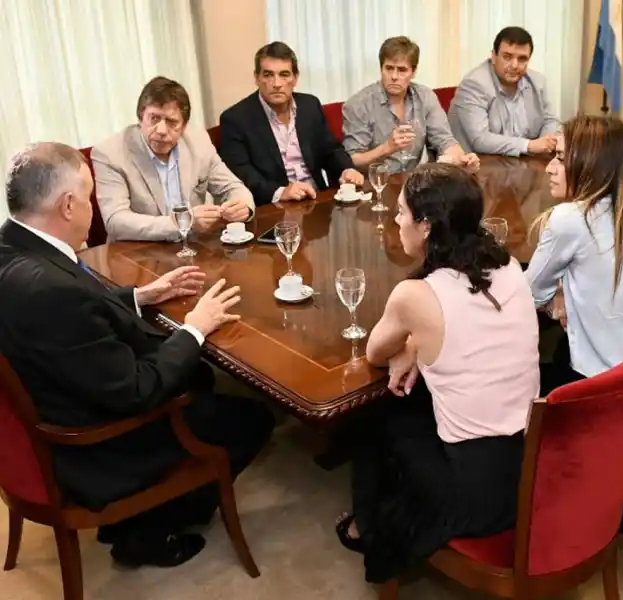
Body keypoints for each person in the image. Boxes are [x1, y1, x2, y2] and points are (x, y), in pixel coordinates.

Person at [0, 143, 274, 568]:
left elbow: (74, 317)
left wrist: (141, 296)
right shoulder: (51, 292)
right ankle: (146, 530)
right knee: (253, 416)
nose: (93, 206)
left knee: (200, 377)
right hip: (96, 446)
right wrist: (195, 328)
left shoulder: (14, 249)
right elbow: (138, 390)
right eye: (89, 196)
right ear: (68, 205)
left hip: (57, 397)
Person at [334, 163, 539, 583]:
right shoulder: (509, 267)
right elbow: (466, 331)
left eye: (401, 212)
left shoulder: (414, 295)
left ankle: (370, 527)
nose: (396, 221)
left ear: (425, 225)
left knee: (372, 416)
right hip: (528, 464)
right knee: (413, 403)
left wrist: (410, 345)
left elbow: (375, 353)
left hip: (472, 494)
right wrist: (416, 344)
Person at [525, 114, 623, 394]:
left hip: (609, 386)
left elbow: (528, 295)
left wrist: (556, 297)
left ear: (591, 164)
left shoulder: (570, 219)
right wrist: (562, 291)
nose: (549, 168)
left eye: (560, 158)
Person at [92, 76, 254, 242]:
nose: (161, 130)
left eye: (171, 122)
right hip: (139, 251)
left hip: (193, 246)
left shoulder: (198, 141)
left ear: (184, 126)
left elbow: (232, 187)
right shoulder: (110, 153)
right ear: (140, 117)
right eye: (154, 118)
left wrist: (243, 207)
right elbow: (116, 221)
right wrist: (183, 222)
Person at [219, 42, 364, 206]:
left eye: (284, 75)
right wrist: (280, 192)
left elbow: (330, 150)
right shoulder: (236, 119)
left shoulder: (309, 105)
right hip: (274, 206)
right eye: (268, 75)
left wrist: (346, 169)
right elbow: (241, 174)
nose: (276, 83)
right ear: (257, 78)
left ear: (295, 78)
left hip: (317, 199)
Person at [342, 36, 480, 173]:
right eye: (389, 68)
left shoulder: (425, 97)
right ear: (381, 68)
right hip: (376, 182)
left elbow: (445, 140)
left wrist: (463, 161)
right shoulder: (358, 104)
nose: (394, 76)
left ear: (413, 72)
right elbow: (352, 160)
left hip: (416, 179)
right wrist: (387, 148)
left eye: (402, 70)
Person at [448, 26, 560, 156]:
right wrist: (529, 146)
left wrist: (545, 144)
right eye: (507, 57)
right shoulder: (474, 84)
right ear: (493, 56)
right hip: (478, 163)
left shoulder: (538, 83)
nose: (514, 65)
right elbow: (480, 139)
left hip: (525, 162)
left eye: (522, 59)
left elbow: (551, 121)